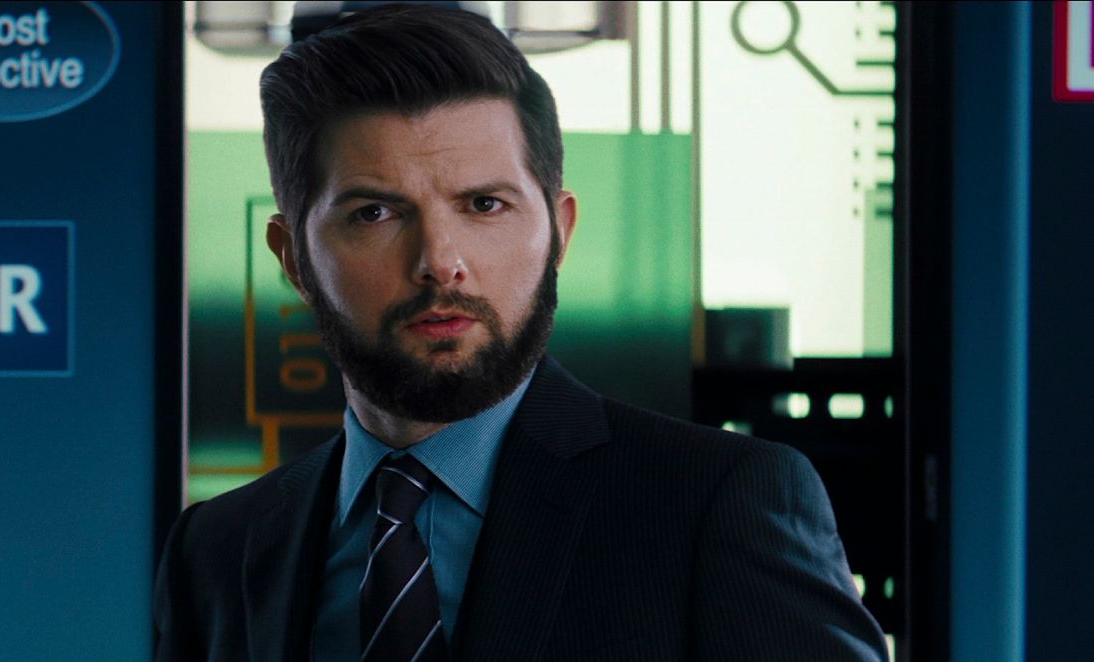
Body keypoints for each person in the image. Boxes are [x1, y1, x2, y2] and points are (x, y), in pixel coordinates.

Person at [155, 4, 887, 661]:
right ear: (293, 257)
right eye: (375, 213)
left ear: (559, 231)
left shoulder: (713, 506)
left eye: (484, 204)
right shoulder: (217, 552)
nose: (441, 263)